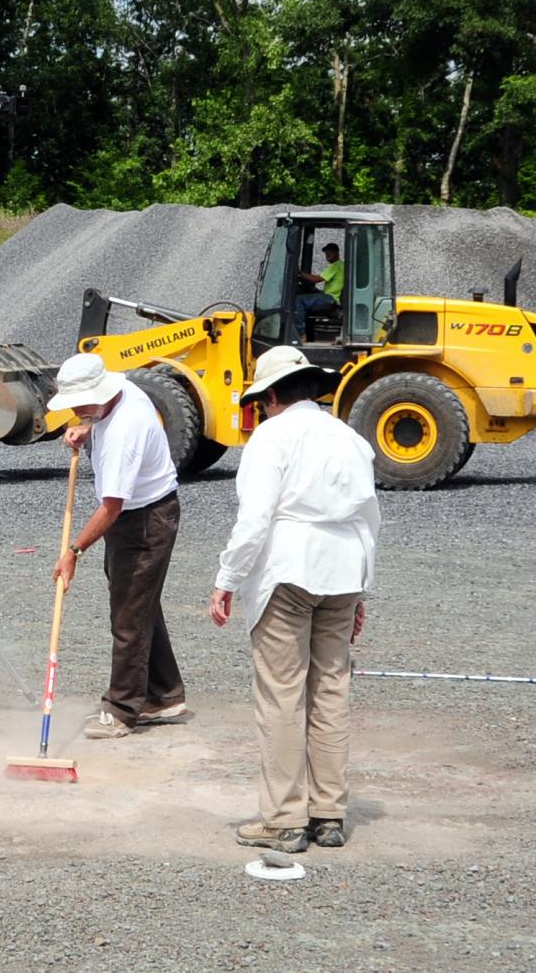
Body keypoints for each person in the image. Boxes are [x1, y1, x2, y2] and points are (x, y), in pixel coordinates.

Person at [209, 346, 380, 853]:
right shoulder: (349, 438)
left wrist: (227, 577)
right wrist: (363, 587)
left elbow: (255, 518)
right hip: (345, 567)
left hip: (289, 568)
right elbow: (369, 517)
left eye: (264, 400)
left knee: (282, 693)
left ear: (275, 394)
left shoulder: (272, 436)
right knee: (331, 690)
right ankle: (328, 812)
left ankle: (284, 817)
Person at [48, 353, 187, 740]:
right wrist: (87, 428)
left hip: (145, 521)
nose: (75, 410)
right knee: (140, 602)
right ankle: (164, 693)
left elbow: (111, 507)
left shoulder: (124, 434)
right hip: (142, 513)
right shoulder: (122, 390)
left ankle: (124, 708)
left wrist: (73, 551)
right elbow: (99, 417)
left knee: (129, 614)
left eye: (80, 404)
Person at [294, 242, 343, 340]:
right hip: (329, 296)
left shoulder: (336, 265)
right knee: (309, 294)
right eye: (326, 253)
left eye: (330, 252)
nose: (327, 255)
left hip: (330, 298)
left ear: (337, 253)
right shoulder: (340, 266)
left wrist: (299, 272)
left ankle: (301, 334)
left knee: (299, 300)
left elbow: (315, 279)